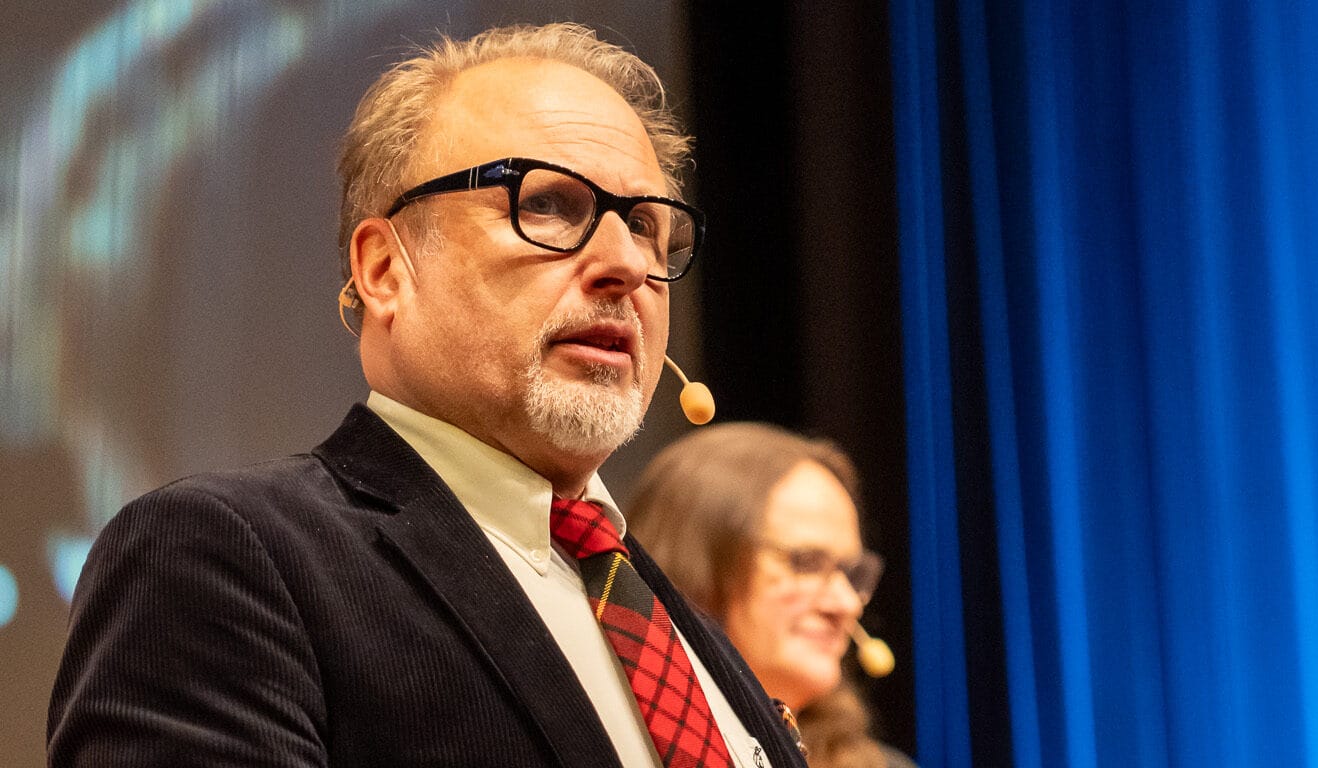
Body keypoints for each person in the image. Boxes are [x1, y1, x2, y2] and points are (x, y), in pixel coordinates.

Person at [47, 23, 807, 768]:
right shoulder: (224, 557)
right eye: (545, 203)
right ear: (384, 269)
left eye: (644, 224)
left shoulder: (673, 620)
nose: (624, 264)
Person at [628, 423, 917, 768]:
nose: (847, 604)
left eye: (853, 574)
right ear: (696, 565)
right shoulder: (614, 743)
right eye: (806, 563)